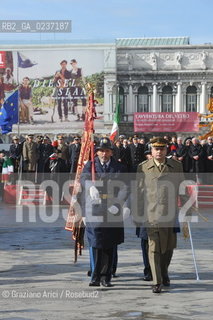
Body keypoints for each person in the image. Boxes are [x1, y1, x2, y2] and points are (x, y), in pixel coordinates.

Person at [136, 137, 186, 293]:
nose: (159, 151)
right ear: (151, 150)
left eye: (162, 149)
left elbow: (182, 188)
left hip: (170, 214)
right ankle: (157, 281)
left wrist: (186, 207)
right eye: (156, 149)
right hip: (151, 214)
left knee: (169, 248)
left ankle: (164, 273)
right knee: (154, 248)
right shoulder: (143, 167)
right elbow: (138, 192)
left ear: (166, 150)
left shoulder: (176, 166)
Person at [80, 137, 128, 287]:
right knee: (95, 242)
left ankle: (106, 277)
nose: (104, 154)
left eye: (107, 151)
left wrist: (119, 204)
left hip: (112, 207)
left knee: (110, 243)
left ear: (111, 152)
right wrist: (90, 186)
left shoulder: (119, 167)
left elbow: (125, 188)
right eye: (101, 151)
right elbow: (83, 178)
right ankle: (95, 276)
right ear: (97, 152)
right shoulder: (91, 165)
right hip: (95, 207)